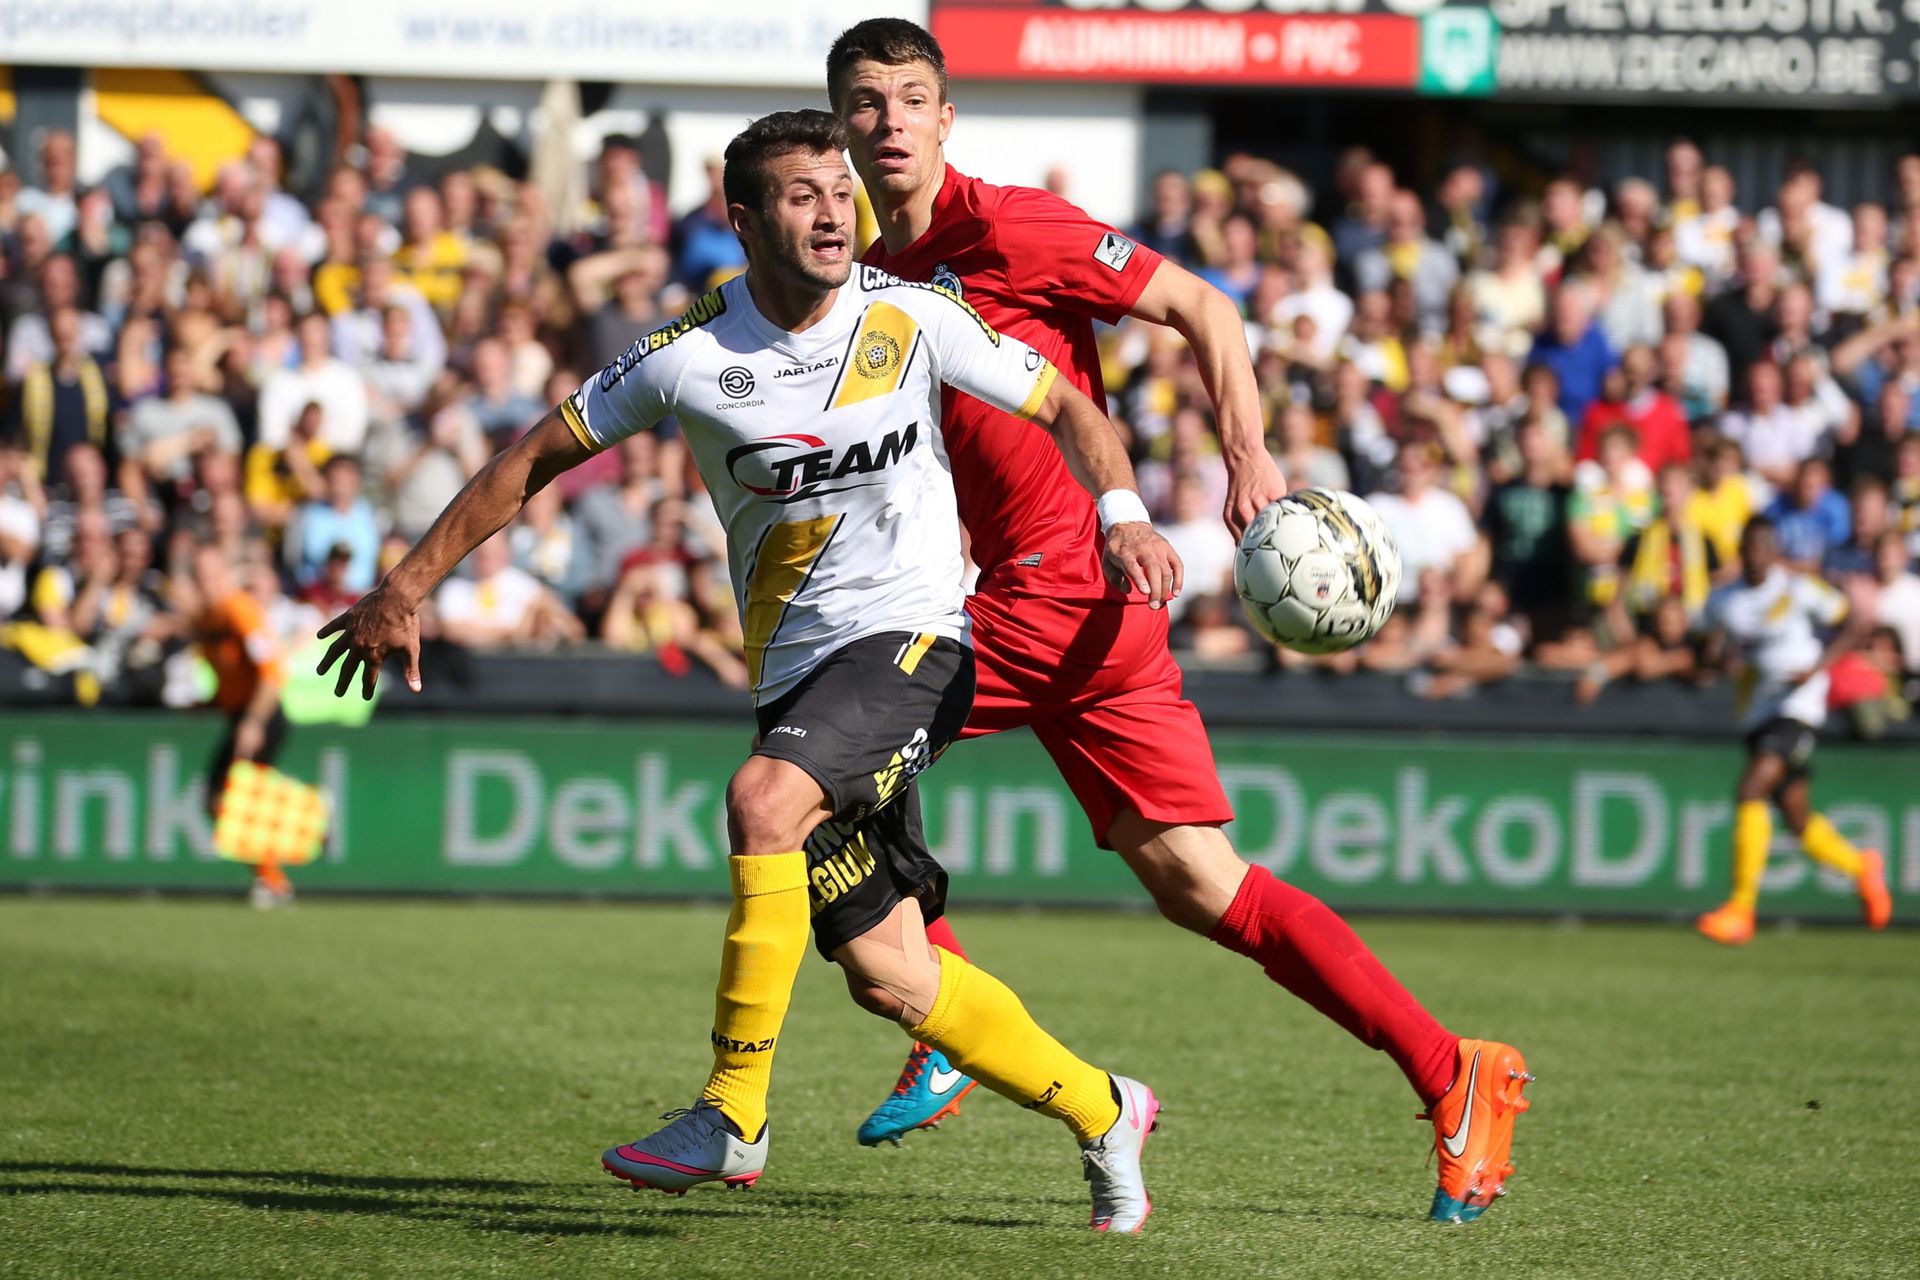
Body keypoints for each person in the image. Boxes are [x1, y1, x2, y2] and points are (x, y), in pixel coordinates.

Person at [316, 110, 1177, 1232]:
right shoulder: (689, 356)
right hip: (799, 682)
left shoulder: (913, 317)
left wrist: (1121, 510)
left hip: (917, 643)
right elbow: (532, 457)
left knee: (763, 799)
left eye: (840, 191)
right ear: (744, 219)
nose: (833, 213)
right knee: (890, 975)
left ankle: (732, 1112)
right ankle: (1107, 1108)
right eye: (802, 195)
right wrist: (406, 584)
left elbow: (1063, 401)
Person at [827, 17, 1532, 1224]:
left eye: (910, 98)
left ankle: (946, 1022)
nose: (888, 120)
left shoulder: (1012, 226)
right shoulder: (866, 271)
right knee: (1204, 883)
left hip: (1064, 585)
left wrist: (1247, 451)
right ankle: (1449, 1066)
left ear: (947, 118)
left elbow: (1205, 304)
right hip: (1082, 607)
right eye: (865, 100)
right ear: (842, 122)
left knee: (815, 767)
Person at [1694, 518, 1893, 945]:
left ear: (1774, 550)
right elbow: (1706, 646)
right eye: (1749, 547)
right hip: (1756, 711)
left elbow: (1853, 621)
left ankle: (1741, 909)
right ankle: (1862, 867)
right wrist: (1720, 660)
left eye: (1763, 546)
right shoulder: (1725, 600)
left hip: (1798, 707)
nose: (1755, 554)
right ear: (1740, 551)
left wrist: (1817, 668)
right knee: (1797, 819)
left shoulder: (1797, 588)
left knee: (1751, 789)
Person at [191, 543, 295, 909]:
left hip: (262, 717)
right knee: (223, 802)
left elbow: (272, 672)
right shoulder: (208, 621)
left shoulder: (239, 610)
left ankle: (273, 880)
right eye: (199, 577)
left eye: (210, 576)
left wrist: (253, 721)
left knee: (233, 801)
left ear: (225, 575)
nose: (205, 584)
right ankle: (271, 879)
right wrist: (209, 703)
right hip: (241, 717)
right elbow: (230, 675)